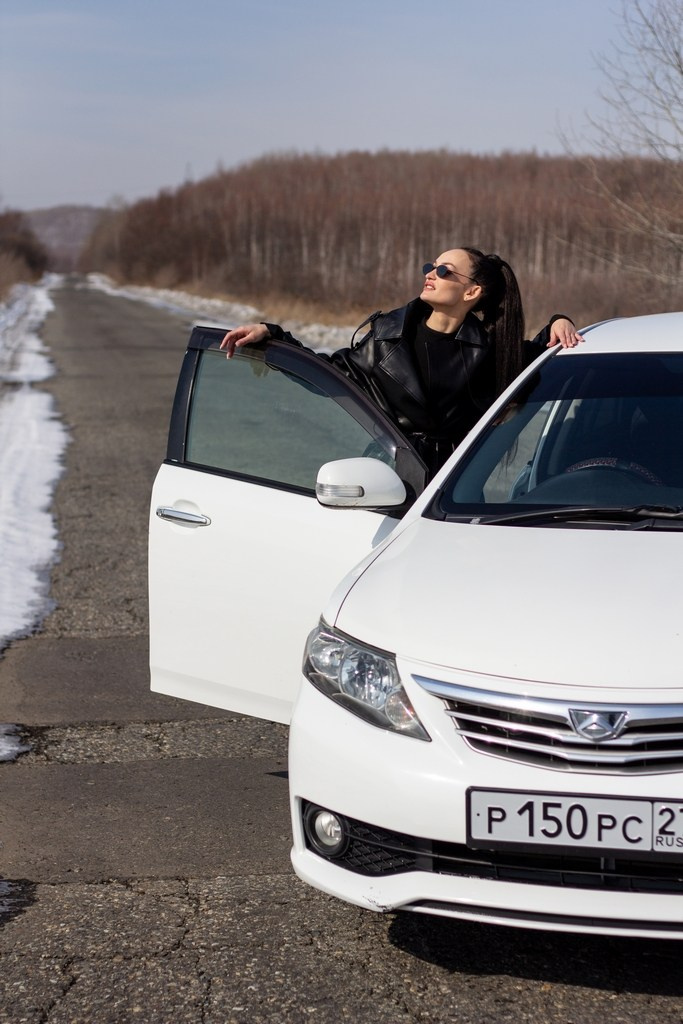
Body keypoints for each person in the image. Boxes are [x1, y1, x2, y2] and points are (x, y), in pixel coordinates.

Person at [221, 247, 583, 477]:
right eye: (432, 265)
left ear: (472, 292)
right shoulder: (387, 336)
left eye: (445, 271)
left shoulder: (492, 352)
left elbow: (540, 353)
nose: (431, 273)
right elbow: (330, 373)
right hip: (385, 476)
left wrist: (558, 321)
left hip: (450, 485)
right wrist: (274, 337)